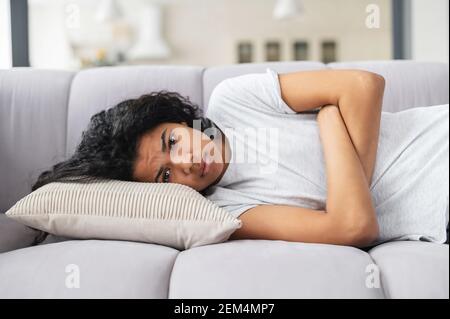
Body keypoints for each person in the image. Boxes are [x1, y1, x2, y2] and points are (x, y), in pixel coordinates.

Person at [32, 69, 449, 248]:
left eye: (172, 141)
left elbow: (362, 84)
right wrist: (329, 118)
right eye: (163, 176)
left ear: (181, 120)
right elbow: (354, 225)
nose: (187, 163)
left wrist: (350, 190)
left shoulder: (233, 101)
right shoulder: (224, 209)